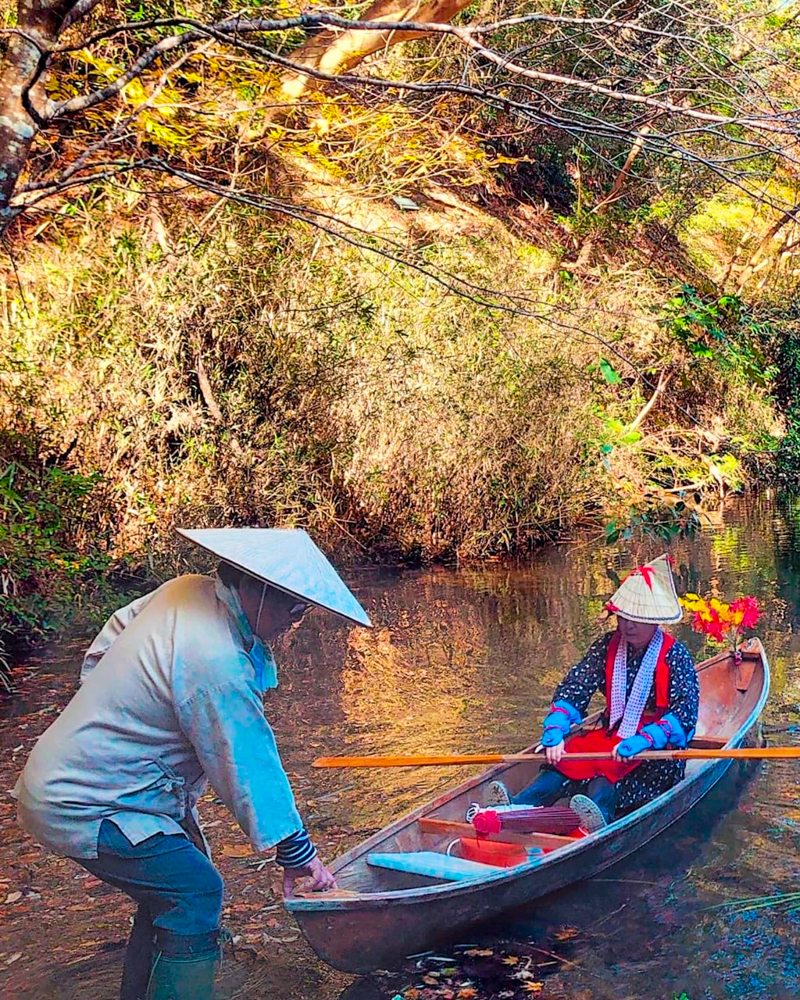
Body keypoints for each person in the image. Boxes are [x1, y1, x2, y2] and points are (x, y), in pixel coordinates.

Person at [13, 527, 372, 1000]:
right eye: (291, 605)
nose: (297, 618)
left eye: (303, 607)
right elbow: (247, 764)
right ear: (253, 589)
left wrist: (124, 716)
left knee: (169, 891)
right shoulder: (217, 663)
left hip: (67, 780)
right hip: (84, 803)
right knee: (196, 891)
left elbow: (105, 648)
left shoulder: (184, 590)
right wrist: (298, 855)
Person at [486, 554, 699, 832]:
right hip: (613, 734)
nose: (628, 626)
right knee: (562, 763)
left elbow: (685, 714)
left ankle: (598, 818)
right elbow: (576, 686)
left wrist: (646, 740)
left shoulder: (676, 656)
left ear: (655, 620)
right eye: (623, 617)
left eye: (637, 619)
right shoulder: (607, 646)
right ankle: (517, 806)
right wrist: (556, 726)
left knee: (604, 780)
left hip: (652, 750)